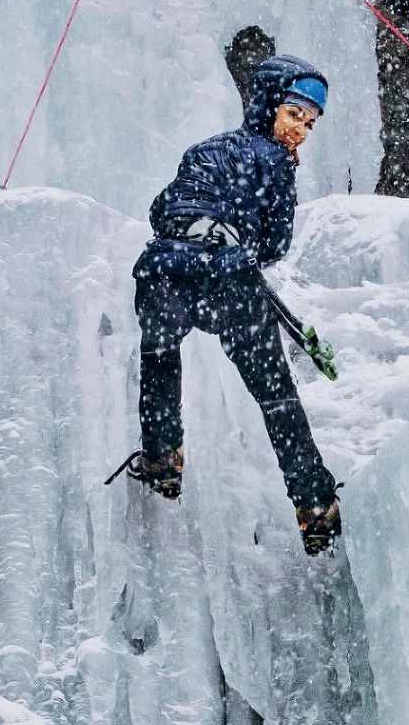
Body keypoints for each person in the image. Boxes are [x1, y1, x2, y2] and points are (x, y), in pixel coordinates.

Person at [126, 55, 340, 555]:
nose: (301, 132)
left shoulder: (205, 151)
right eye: (293, 115)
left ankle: (161, 459)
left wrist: (195, 232)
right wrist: (237, 244)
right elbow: (275, 243)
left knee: (159, 356)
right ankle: (314, 506)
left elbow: (163, 207)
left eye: (308, 123)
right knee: (276, 396)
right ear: (268, 106)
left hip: (167, 269)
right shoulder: (277, 165)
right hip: (230, 282)